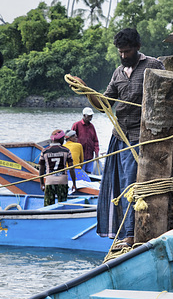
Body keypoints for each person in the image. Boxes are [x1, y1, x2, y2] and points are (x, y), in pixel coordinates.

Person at [71, 28, 165, 246]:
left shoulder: (153, 66)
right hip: (120, 136)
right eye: (120, 52)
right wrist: (86, 90)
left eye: (127, 51)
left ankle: (131, 235)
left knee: (131, 184)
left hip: (142, 136)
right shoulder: (118, 73)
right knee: (118, 185)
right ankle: (125, 233)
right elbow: (104, 105)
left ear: (137, 48)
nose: (123, 56)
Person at [39, 129, 76, 206]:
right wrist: (74, 183)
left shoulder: (45, 151)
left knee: (48, 205)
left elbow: (41, 169)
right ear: (61, 139)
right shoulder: (66, 150)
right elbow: (71, 168)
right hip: (62, 181)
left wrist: (42, 183)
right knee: (62, 204)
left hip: (49, 180)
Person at [71, 107, 99, 175]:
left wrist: (97, 153)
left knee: (89, 173)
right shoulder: (76, 125)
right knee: (80, 173)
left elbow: (95, 140)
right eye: (89, 116)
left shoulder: (92, 126)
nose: (90, 118)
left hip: (90, 155)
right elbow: (71, 139)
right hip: (80, 157)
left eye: (91, 116)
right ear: (84, 116)